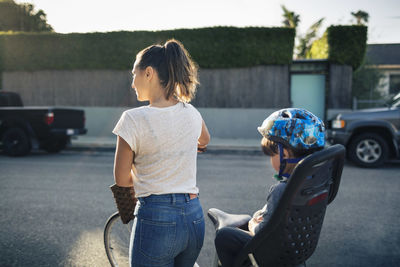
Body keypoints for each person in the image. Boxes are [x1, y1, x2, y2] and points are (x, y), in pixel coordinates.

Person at [112, 39, 210, 267]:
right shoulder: (191, 112)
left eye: (133, 74)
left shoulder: (133, 119)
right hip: (194, 217)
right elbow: (205, 139)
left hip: (157, 219)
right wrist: (181, 144)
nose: (132, 83)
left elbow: (121, 180)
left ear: (148, 73)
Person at [214, 108, 325, 267]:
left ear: (284, 154)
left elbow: (261, 233)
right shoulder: (314, 183)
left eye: (272, 154)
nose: (270, 160)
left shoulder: (281, 190)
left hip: (274, 252)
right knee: (244, 220)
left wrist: (253, 224)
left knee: (224, 236)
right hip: (296, 247)